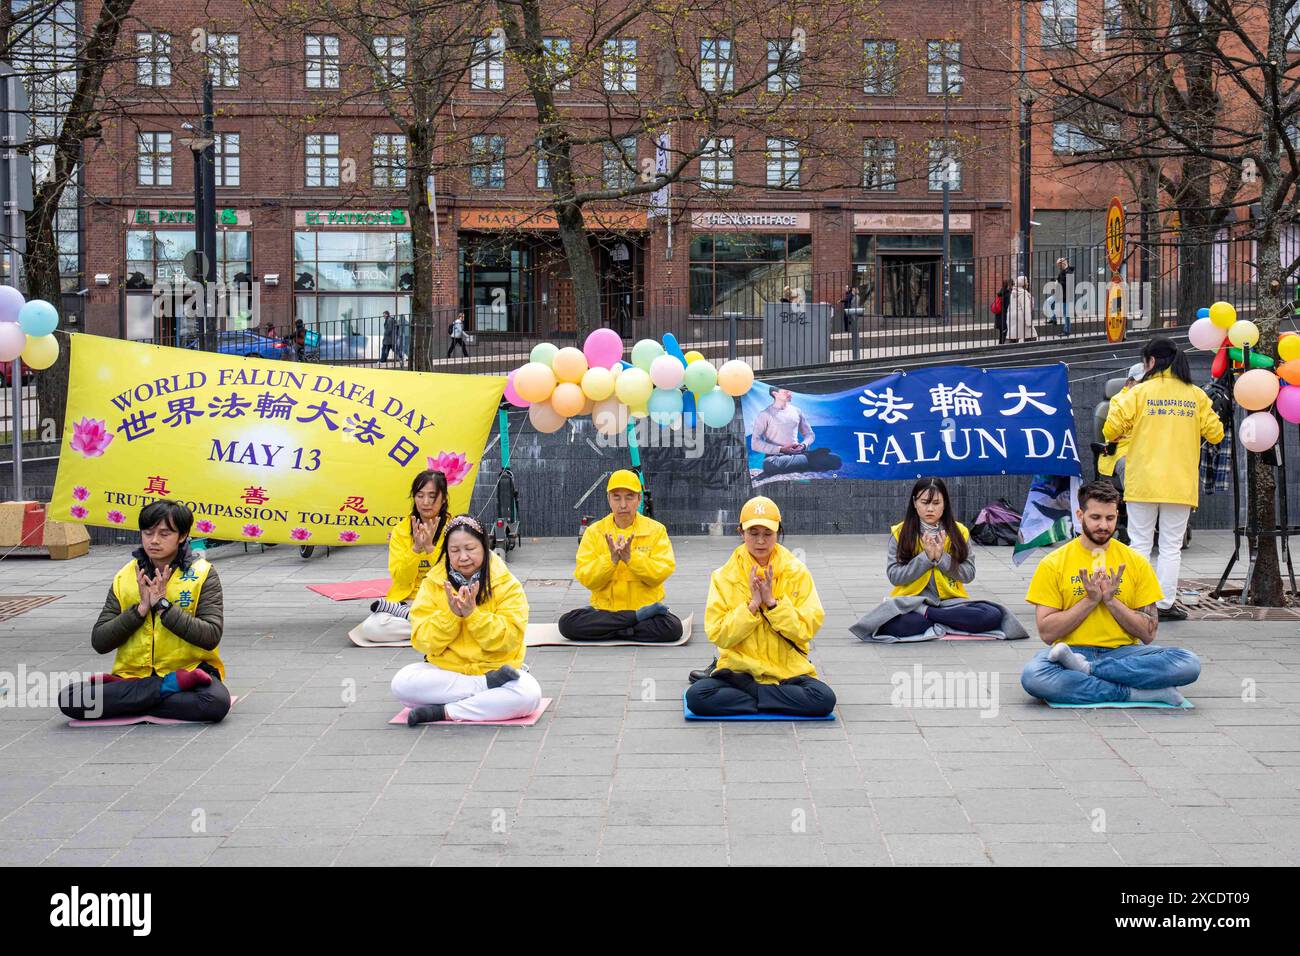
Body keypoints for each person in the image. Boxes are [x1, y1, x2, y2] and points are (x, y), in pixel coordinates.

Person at [1020, 480, 1201, 706]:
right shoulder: (1053, 563)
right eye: (1095, 517)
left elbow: (1147, 634)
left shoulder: (1135, 562)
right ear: (1079, 515)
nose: (1104, 526)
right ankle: (1134, 693)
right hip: (1070, 652)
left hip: (1124, 654)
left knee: (1188, 663)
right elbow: (1047, 634)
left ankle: (1088, 671)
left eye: (1110, 518)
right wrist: (1090, 601)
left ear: (1117, 516)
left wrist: (1111, 601)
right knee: (1034, 677)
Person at [58, 501, 231, 723]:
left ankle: (130, 698)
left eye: (164, 533)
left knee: (214, 703)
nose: (154, 540)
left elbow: (210, 636)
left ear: (182, 535)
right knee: (71, 699)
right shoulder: (125, 576)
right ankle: (168, 687)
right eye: (148, 533)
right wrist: (139, 611)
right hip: (133, 676)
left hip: (190, 670)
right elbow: (100, 641)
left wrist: (163, 607)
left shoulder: (203, 574)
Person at [1104, 338, 1224, 621]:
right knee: (1171, 547)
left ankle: (1136, 601)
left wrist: (1127, 406)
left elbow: (1111, 429)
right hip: (1179, 483)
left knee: (1140, 543)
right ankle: (1165, 603)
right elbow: (1216, 434)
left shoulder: (1138, 393)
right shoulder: (1195, 394)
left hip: (1143, 480)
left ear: (1152, 362)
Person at [685, 496, 835, 718]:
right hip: (740, 672)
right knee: (697, 696)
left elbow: (805, 631)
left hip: (787, 670)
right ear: (741, 533)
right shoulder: (724, 576)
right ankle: (774, 699)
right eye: (753, 534)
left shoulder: (797, 571)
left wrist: (773, 604)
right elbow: (719, 635)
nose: (761, 541)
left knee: (824, 699)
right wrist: (752, 606)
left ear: (778, 532)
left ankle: (755, 699)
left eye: (768, 534)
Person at [393, 515, 542, 725]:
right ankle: (484, 689)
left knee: (529, 695)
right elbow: (423, 641)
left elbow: (509, 640)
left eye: (470, 548)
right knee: (402, 683)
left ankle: (444, 711)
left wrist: (474, 616)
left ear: (484, 546)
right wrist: (451, 617)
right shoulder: (433, 583)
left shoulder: (507, 584)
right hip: (447, 671)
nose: (463, 557)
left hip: (496, 669)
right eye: (454, 551)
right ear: (446, 552)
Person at [851, 477, 1026, 641]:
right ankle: (946, 621)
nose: (930, 509)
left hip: (951, 602)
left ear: (944, 505)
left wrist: (942, 558)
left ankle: (930, 615)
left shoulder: (959, 532)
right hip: (911, 602)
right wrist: (925, 558)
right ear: (914, 503)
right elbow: (895, 576)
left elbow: (969, 574)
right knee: (898, 625)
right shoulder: (900, 533)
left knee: (992, 615)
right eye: (924, 502)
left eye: (936, 503)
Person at [559, 470, 683, 642]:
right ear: (608, 499)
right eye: (616, 497)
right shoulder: (594, 532)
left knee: (673, 629)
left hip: (644, 612)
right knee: (566, 624)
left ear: (639, 500)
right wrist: (611, 561)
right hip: (605, 610)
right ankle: (632, 622)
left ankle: (610, 629)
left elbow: (659, 575)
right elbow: (587, 578)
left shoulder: (656, 530)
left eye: (629, 497)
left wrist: (631, 559)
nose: (623, 505)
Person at [357, 470, 449, 644]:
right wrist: (415, 549)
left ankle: (422, 624)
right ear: (414, 497)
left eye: (432, 496)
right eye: (420, 496)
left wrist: (429, 547)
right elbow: (400, 578)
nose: (426, 502)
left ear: (443, 498)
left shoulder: (454, 529)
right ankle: (434, 628)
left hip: (442, 600)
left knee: (458, 616)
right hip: (408, 601)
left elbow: (450, 576)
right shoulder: (401, 530)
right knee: (372, 628)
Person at [750, 386, 843, 476]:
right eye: (786, 391)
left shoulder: (796, 411)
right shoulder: (765, 414)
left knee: (836, 459)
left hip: (799, 452)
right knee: (768, 464)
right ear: (775, 394)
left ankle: (803, 460)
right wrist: (781, 449)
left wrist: (803, 445)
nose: (790, 393)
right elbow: (755, 443)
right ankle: (808, 459)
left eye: (790, 391)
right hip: (776, 456)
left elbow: (809, 434)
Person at [1097, 362, 1145, 487]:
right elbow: (1111, 433)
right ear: (1130, 382)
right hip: (1121, 450)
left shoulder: (1153, 401)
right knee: (1128, 465)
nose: (1144, 386)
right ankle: (1133, 503)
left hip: (1147, 450)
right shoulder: (1119, 400)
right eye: (1141, 382)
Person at [1005, 274, 1036, 343]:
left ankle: (1010, 349)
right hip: (1021, 317)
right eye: (1026, 282)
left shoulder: (1013, 292)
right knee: (1031, 335)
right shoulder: (1023, 293)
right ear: (1023, 284)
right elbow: (1026, 308)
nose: (1027, 283)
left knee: (1014, 335)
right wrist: (1029, 322)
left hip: (1012, 317)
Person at [1051, 257, 1075, 334]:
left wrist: (1059, 283)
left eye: (1060, 265)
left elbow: (1067, 284)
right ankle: (1053, 318)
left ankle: (1066, 330)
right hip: (1061, 294)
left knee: (1066, 313)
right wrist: (1055, 282)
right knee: (1051, 303)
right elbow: (1058, 280)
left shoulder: (1069, 272)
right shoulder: (1063, 271)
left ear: (1063, 263)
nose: (1059, 266)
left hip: (1066, 296)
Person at [992, 278, 1010, 344]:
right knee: (1004, 331)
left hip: (999, 315)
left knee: (1001, 332)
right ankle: (1002, 344)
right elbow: (1008, 305)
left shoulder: (1000, 292)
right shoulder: (1007, 294)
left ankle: (1000, 343)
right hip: (1004, 315)